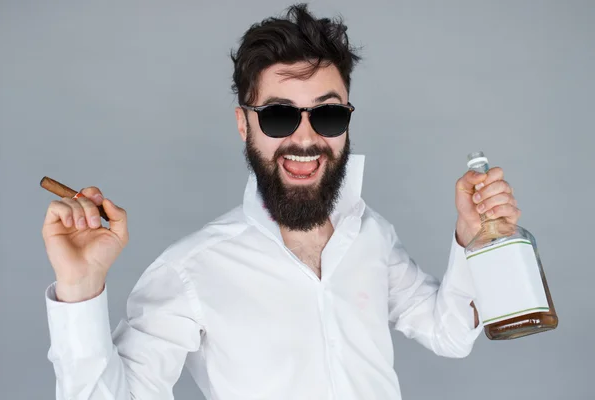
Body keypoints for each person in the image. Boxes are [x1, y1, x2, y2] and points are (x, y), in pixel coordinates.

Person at [42, 4, 520, 400]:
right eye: (277, 116)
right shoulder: (190, 270)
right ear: (243, 124)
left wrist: (473, 239)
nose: (306, 139)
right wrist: (80, 289)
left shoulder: (369, 234)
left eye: (328, 114)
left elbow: (451, 334)